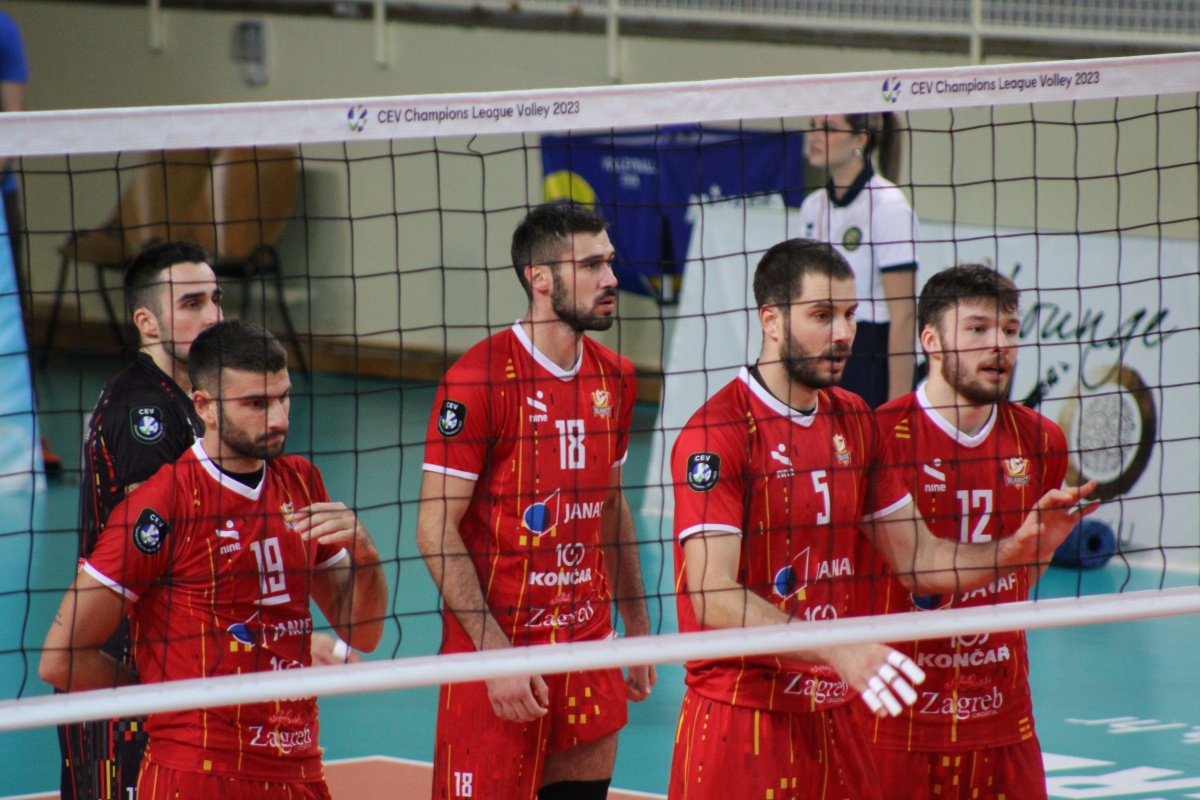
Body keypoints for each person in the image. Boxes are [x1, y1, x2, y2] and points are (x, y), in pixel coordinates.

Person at [668, 238, 1095, 799]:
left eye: (850, 315)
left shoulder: (852, 419)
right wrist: (837, 647)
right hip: (745, 714)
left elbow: (919, 560)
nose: (844, 333)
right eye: (823, 316)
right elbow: (712, 595)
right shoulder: (717, 432)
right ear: (771, 321)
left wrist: (1018, 547)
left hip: (837, 709)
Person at [40, 319, 388, 799]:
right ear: (204, 406)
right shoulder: (163, 504)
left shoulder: (301, 482)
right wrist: (161, 693)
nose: (279, 419)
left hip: (298, 769)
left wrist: (367, 554)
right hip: (198, 774)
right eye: (256, 404)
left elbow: (362, 633)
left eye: (284, 398)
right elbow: (60, 658)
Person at [417, 202, 656, 800]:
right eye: (592, 265)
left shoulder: (617, 378)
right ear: (540, 278)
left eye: (610, 262)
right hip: (500, 652)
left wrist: (639, 626)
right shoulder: (477, 380)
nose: (611, 278)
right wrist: (495, 656)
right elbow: (434, 529)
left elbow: (610, 507)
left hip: (588, 645)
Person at [863, 264, 1067, 799]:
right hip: (895, 721)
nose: (999, 345)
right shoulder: (878, 436)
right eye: (978, 328)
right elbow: (907, 569)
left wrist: (1035, 549)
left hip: (1003, 718)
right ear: (930, 340)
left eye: (1010, 330)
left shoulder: (1042, 440)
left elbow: (1023, 571)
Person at [797, 112, 918, 407]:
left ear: (860, 139)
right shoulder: (812, 207)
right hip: (821, 350)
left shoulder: (889, 206)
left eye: (829, 128)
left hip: (869, 355)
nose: (815, 134)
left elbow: (903, 315)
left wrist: (898, 408)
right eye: (813, 125)